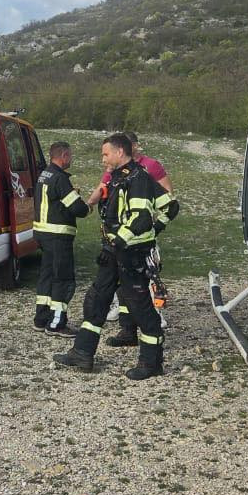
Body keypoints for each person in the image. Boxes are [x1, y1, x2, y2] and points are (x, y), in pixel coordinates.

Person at [54, 133, 179, 379]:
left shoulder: (139, 179)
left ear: (120, 152)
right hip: (114, 251)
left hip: (131, 254)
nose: (103, 159)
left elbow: (142, 217)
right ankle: (82, 352)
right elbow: (170, 205)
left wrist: (150, 230)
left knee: (140, 307)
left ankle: (151, 362)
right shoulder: (118, 178)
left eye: (106, 154)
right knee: (96, 300)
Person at [88, 133, 173, 328]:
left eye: (106, 154)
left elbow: (168, 197)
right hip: (119, 241)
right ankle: (126, 325)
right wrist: (88, 205)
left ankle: (155, 316)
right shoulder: (114, 171)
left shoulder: (149, 167)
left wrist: (156, 225)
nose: (103, 160)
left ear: (129, 147)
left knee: (146, 282)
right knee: (122, 287)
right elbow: (102, 188)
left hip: (138, 239)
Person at [32, 141, 91, 337]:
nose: (71, 159)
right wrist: (89, 205)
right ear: (64, 155)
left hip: (43, 234)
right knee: (63, 280)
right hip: (58, 236)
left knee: (47, 277)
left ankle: (41, 319)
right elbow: (77, 209)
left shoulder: (44, 174)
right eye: (70, 155)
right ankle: (57, 323)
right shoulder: (59, 178)